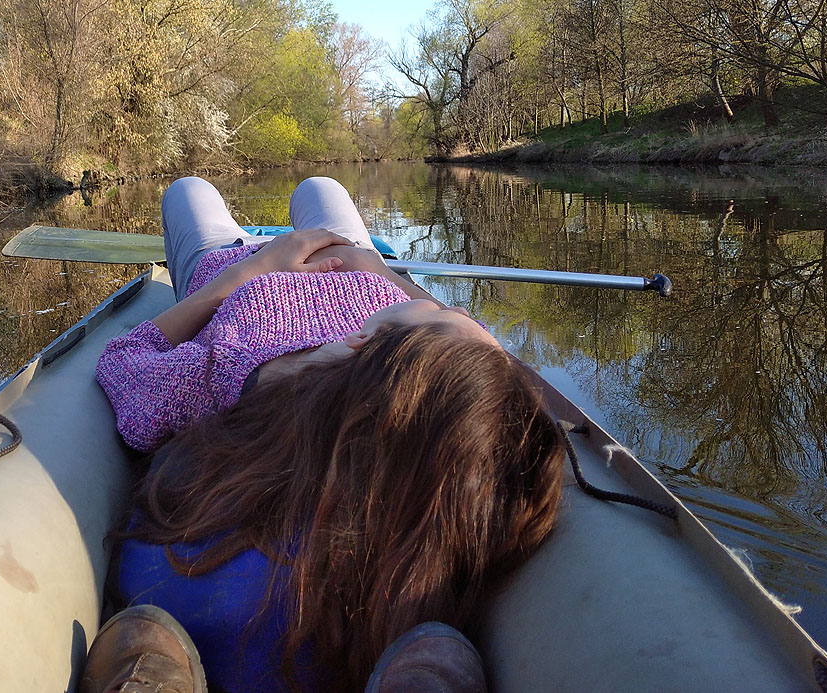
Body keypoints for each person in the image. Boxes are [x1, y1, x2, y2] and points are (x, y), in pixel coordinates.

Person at [87, 177, 565, 693]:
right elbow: (464, 361)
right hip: (355, 263)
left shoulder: (237, 369)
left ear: (363, 340)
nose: (458, 311)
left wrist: (248, 271)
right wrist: (383, 272)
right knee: (321, 186)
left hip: (233, 266)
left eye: (444, 308)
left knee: (189, 189)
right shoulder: (416, 355)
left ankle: (234, 237)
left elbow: (122, 363)